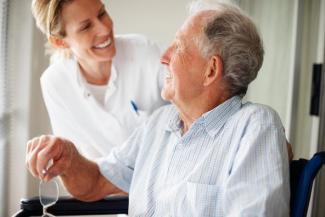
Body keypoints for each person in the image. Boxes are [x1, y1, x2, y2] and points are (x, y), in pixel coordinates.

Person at [26, 2, 290, 216]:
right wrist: (68, 158)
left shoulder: (254, 126)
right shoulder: (159, 123)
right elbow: (95, 182)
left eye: (178, 47)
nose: (163, 57)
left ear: (210, 70)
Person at [31, 0, 166, 160]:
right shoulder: (55, 83)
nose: (105, 28)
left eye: (102, 13)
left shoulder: (144, 50)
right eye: (86, 27)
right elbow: (74, 160)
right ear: (59, 41)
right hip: (104, 182)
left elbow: (190, 105)